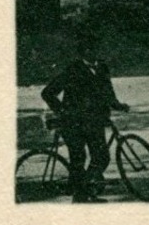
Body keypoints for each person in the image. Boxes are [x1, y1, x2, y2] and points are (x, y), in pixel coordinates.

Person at [40, 28, 129, 203]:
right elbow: (48, 92)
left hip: (95, 121)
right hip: (73, 123)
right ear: (83, 52)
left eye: (96, 48)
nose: (94, 52)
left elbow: (107, 91)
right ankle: (81, 195)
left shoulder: (102, 68)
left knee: (102, 157)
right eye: (90, 49)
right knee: (78, 158)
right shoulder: (73, 69)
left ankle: (83, 188)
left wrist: (117, 105)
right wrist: (63, 111)